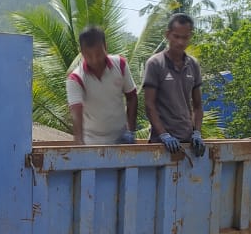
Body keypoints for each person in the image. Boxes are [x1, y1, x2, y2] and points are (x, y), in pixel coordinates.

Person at [143, 13, 205, 158]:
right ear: (167, 35)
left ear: (190, 36)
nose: (180, 42)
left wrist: (197, 132)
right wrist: (164, 135)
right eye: (176, 36)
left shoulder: (193, 65)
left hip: (188, 143)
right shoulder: (155, 64)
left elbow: (197, 105)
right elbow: (149, 105)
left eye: (185, 37)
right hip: (161, 144)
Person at [66, 26, 138, 145]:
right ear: (82, 52)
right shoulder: (75, 79)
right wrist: (79, 146)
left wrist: (131, 132)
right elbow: (76, 115)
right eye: (89, 55)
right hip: (92, 143)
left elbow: (132, 97)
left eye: (99, 54)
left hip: (121, 140)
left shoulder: (120, 64)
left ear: (105, 46)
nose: (95, 60)